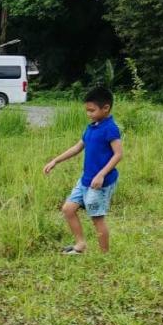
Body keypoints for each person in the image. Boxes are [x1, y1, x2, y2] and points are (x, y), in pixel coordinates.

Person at [43, 85, 124, 255]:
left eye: (92, 110)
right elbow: (78, 147)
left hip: (100, 182)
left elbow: (118, 154)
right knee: (68, 209)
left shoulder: (110, 128)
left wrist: (101, 175)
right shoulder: (92, 126)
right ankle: (80, 245)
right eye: (87, 110)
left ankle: (104, 255)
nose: (88, 114)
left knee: (96, 218)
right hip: (86, 179)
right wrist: (55, 160)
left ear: (106, 108)